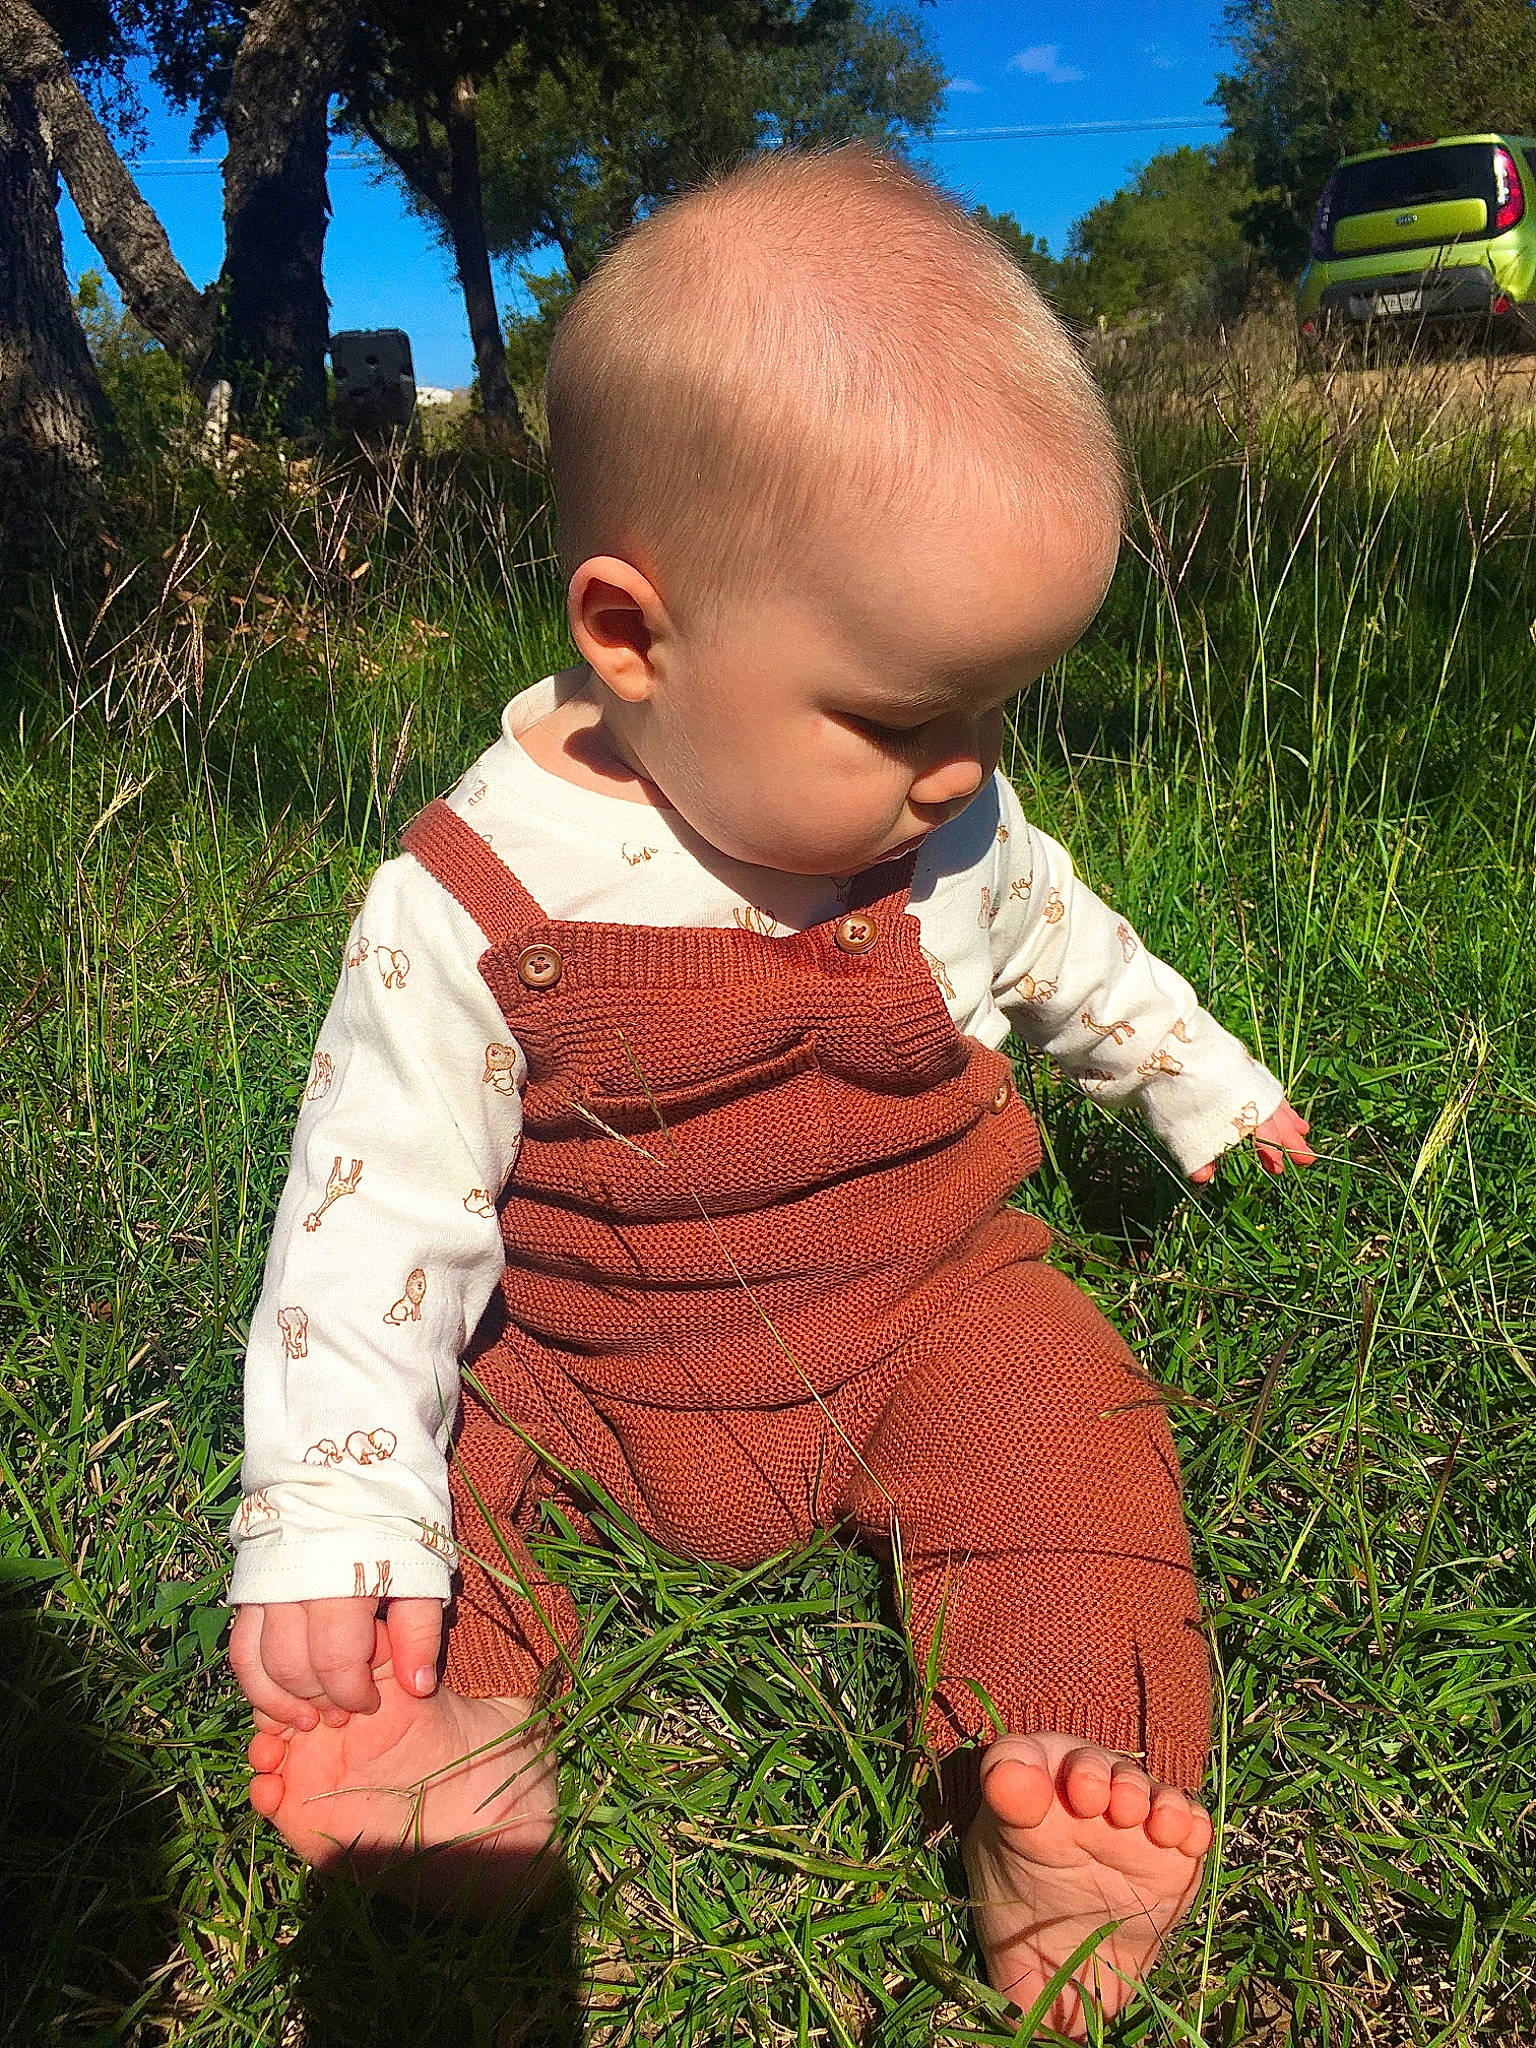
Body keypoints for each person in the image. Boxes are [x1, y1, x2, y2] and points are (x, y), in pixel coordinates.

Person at [226, 141, 1315, 2036]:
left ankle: (1050, 1770)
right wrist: (332, 1520)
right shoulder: (470, 901)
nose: (963, 769)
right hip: (581, 1359)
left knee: (1062, 1436)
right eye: (906, 716)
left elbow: (1072, 949)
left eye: (997, 710)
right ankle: (456, 1729)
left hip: (923, 1311)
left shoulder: (948, 822)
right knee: (457, 1477)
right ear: (634, 636)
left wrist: (1203, 1088)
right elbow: (371, 1224)